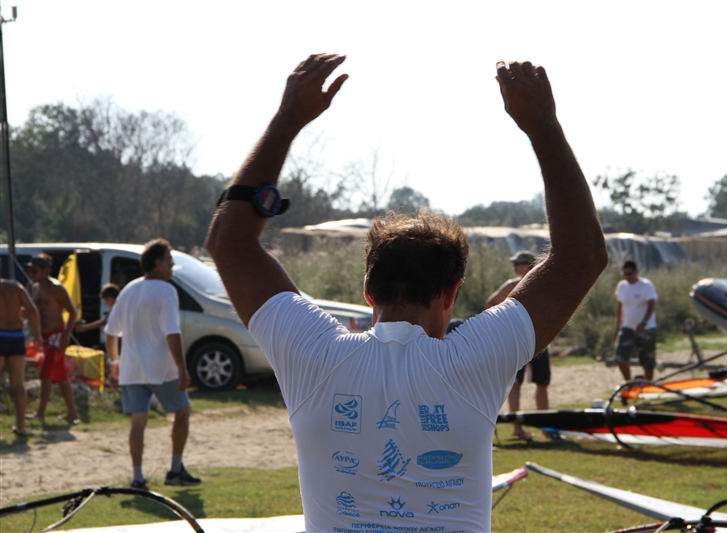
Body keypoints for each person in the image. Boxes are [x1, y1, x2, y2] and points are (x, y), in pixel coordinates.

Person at [207, 54, 607, 531]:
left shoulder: (314, 354)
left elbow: (229, 243)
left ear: (368, 292)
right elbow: (582, 256)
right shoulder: (476, 361)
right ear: (452, 293)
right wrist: (543, 128)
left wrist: (287, 121)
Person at [105, 239, 201, 490]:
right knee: (182, 412)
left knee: (139, 421)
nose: (172, 265)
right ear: (157, 263)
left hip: (131, 367)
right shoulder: (166, 290)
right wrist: (182, 368)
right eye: (169, 260)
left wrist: (114, 361)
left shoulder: (127, 290)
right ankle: (175, 469)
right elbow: (172, 332)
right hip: (162, 367)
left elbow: (111, 333)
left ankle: (137, 478)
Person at [486, 250, 552, 440]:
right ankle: (517, 428)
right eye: (514, 263)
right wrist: (501, 328)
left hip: (540, 339)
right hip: (517, 341)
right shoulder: (512, 285)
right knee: (516, 384)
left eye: (518, 263)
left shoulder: (543, 286)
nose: (515, 267)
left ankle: (545, 425)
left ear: (529, 265)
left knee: (542, 383)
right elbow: (490, 302)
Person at [25, 255, 80, 424]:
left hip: (57, 335)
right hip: (45, 336)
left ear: (45, 271)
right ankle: (72, 412)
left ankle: (40, 412)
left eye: (34, 270)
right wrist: (37, 334)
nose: (31, 273)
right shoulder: (35, 288)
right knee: (61, 377)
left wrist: (65, 336)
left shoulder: (56, 288)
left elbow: (72, 312)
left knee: (45, 372)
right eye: (30, 270)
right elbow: (34, 313)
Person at [1, 260, 43, 435]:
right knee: (18, 384)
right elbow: (32, 310)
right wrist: (38, 335)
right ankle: (21, 426)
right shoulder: (15, 286)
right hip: (17, 336)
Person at [613, 260, 658, 381]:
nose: (627, 277)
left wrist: (643, 323)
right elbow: (620, 307)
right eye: (624, 274)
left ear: (636, 272)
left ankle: (648, 385)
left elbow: (651, 305)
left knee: (648, 361)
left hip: (646, 328)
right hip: (628, 327)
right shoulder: (622, 286)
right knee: (620, 356)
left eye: (629, 273)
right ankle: (628, 383)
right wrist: (617, 327)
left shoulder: (646, 285)